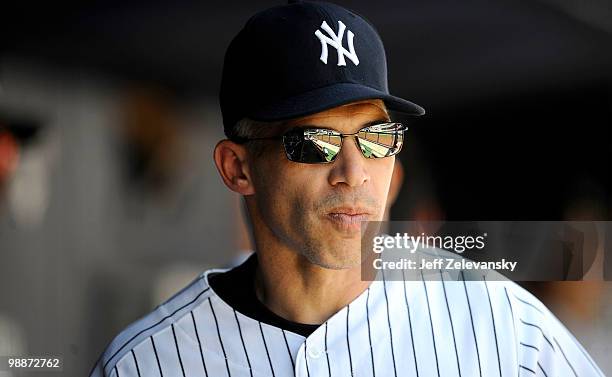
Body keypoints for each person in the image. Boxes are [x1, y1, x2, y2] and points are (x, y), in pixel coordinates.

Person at [89, 1, 605, 376]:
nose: (353, 172)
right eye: (314, 140)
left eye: (377, 137)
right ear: (237, 168)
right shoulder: (148, 361)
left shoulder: (503, 325)